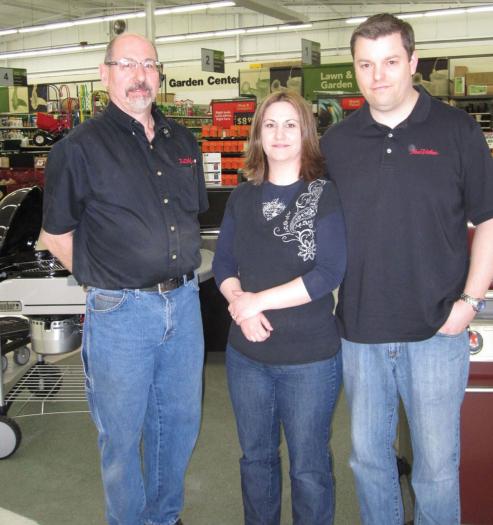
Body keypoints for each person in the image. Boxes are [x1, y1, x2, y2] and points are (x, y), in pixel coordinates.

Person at [320, 13, 493, 525]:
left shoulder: (458, 130)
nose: (377, 76)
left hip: (437, 329)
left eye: (390, 62)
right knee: (368, 461)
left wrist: (469, 302)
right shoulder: (336, 143)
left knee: (436, 469)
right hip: (361, 331)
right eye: (365, 65)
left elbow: (488, 219)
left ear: (413, 62)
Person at [40, 33, 208, 525]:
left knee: (178, 425)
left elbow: (191, 215)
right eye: (128, 64)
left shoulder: (183, 141)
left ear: (159, 74)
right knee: (121, 434)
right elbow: (55, 235)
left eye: (149, 65)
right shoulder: (78, 148)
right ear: (105, 73)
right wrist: (103, 282)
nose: (140, 76)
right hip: (120, 312)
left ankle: (164, 517)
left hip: (185, 303)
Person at [212, 90, 347, 525]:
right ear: (258, 135)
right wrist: (242, 306)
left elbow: (329, 272)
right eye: (270, 124)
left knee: (309, 468)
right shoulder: (242, 196)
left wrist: (258, 302)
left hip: (309, 359)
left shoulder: (323, 194)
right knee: (256, 460)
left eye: (290, 124)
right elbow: (223, 263)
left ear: (306, 133)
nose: (280, 133)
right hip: (247, 357)